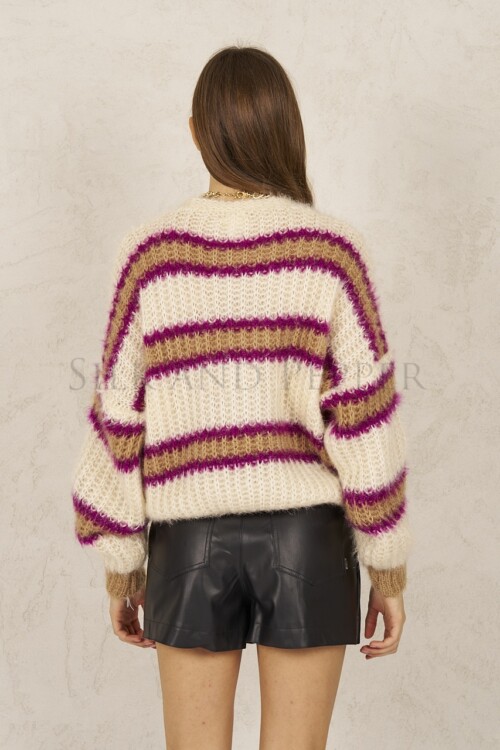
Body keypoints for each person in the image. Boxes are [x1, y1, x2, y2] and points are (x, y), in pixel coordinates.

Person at [71, 45, 412, 750]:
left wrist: (122, 566)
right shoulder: (332, 252)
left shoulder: (150, 256)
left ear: (197, 132)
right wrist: (387, 565)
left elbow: (118, 418)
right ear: (286, 127)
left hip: (187, 541)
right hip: (310, 542)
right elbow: (365, 424)